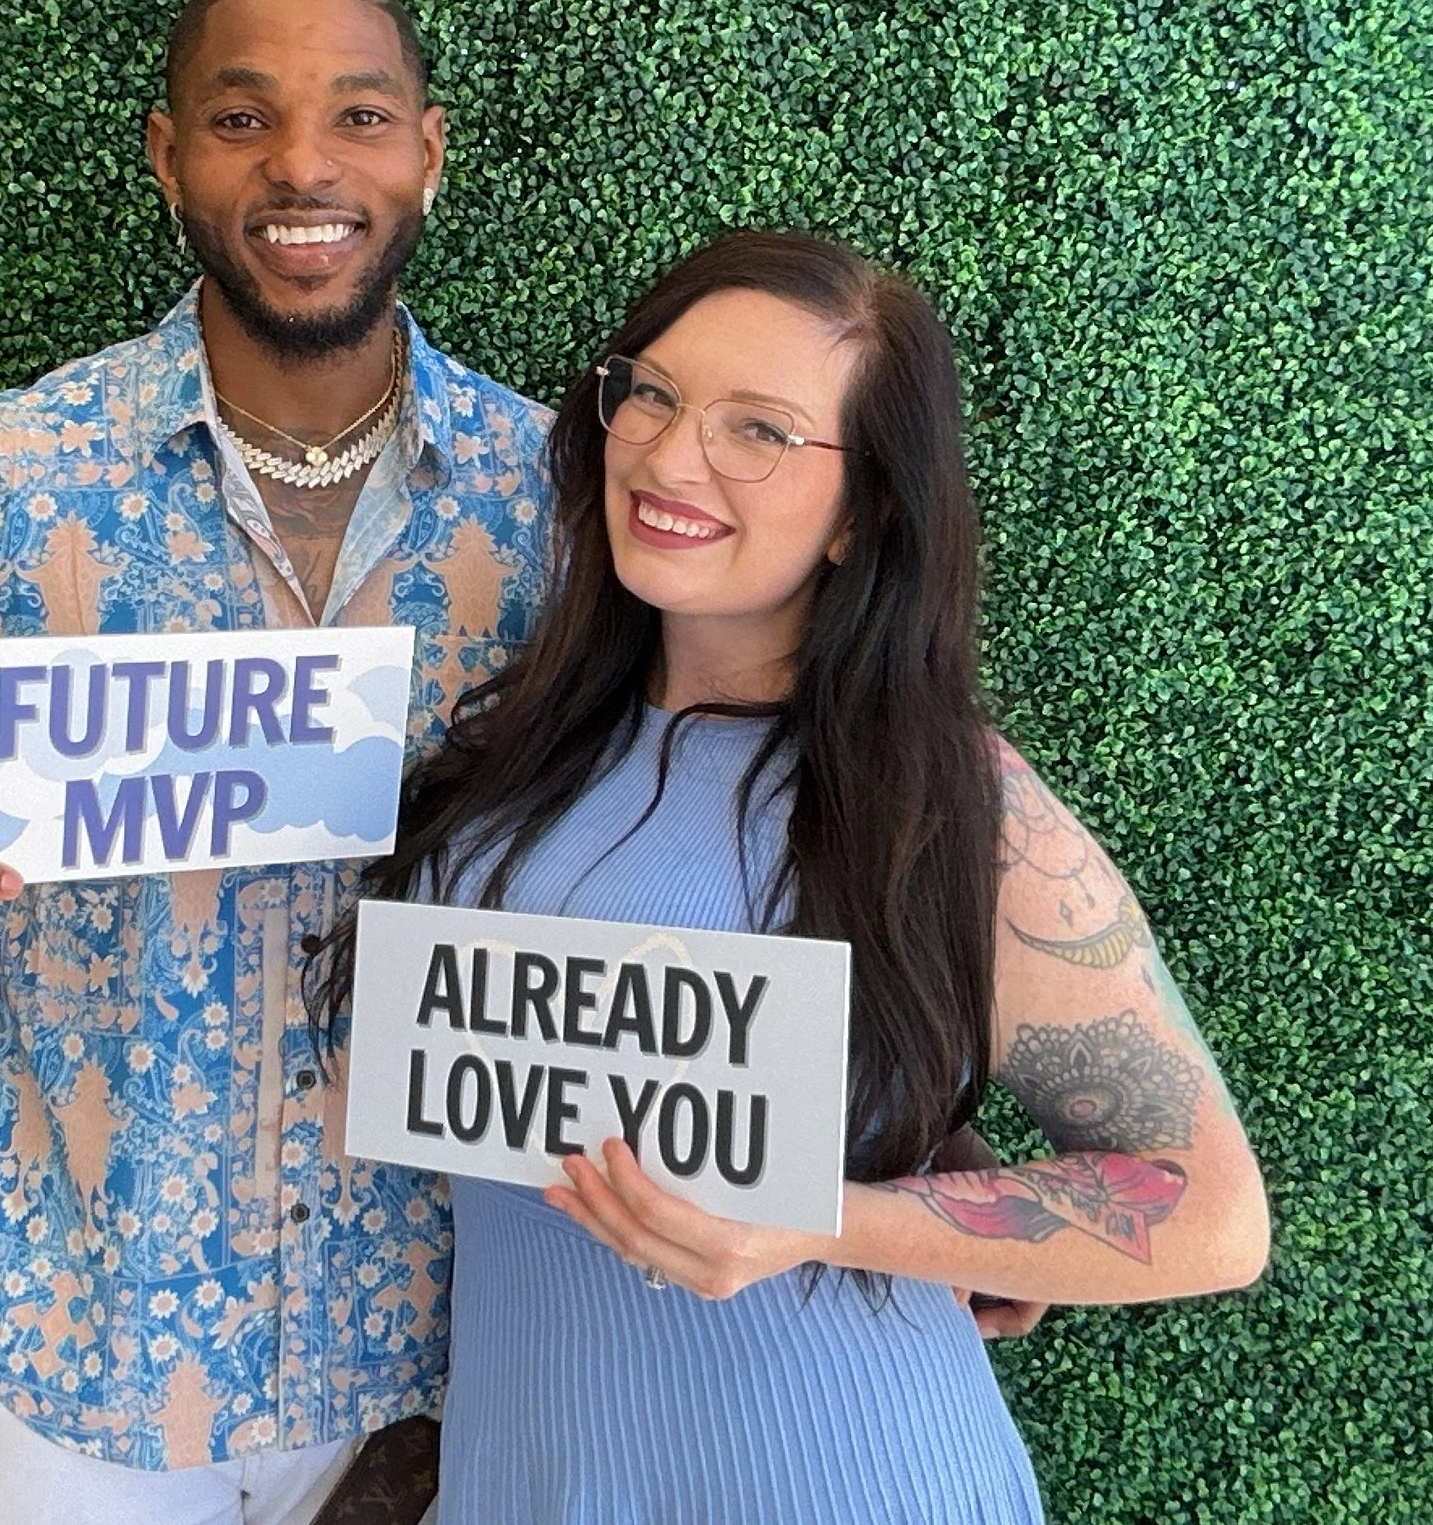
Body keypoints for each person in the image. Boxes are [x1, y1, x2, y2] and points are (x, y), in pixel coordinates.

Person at [0, 0, 555, 1523]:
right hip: (72, 1363)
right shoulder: (7, 476)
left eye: (357, 116)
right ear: (169, 158)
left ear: (427, 148)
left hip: (454, 1368)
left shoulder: (557, 498)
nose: (304, 165)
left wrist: (854, 1151)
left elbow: (726, 831)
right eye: (244, 119)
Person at [330, 231, 1270, 1523]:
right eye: (649, 392)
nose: (668, 456)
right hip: (535, 1473)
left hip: (844, 1473)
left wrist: (831, 1218)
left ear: (866, 510)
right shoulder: (513, 755)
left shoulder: (952, 804)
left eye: (759, 430)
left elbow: (1212, 1206)